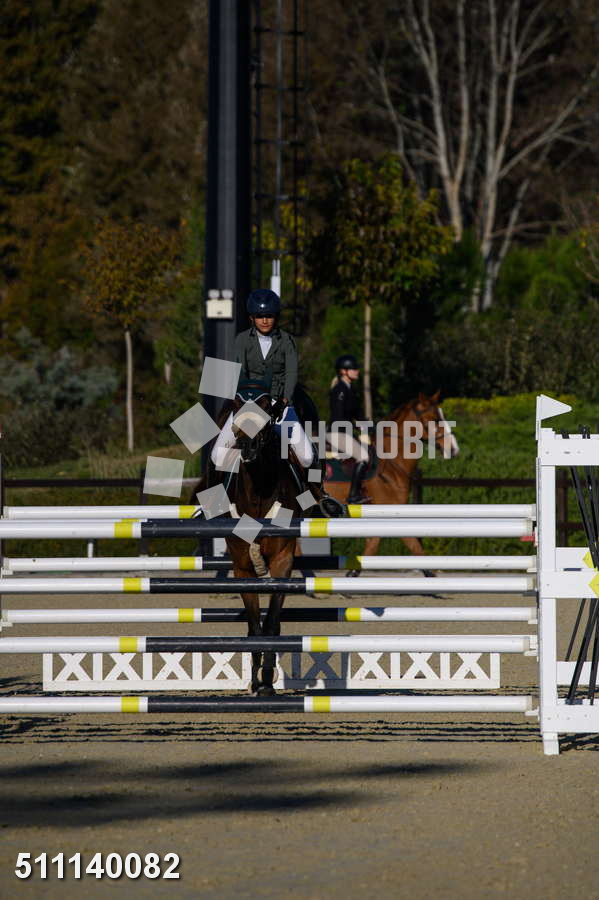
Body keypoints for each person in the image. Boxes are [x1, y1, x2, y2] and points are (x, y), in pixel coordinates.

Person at [211, 289, 315, 472]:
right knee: (216, 456)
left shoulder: (287, 341)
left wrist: (284, 401)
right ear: (252, 318)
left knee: (307, 458)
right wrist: (240, 403)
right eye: (260, 316)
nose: (265, 320)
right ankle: (219, 490)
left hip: (278, 405)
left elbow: (291, 373)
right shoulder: (242, 339)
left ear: (276, 317)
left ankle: (315, 488)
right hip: (248, 404)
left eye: (269, 316)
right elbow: (238, 372)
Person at [327, 353, 370, 504]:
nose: (357, 371)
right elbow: (339, 417)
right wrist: (355, 428)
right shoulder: (340, 390)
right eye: (354, 368)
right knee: (363, 457)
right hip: (337, 433)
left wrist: (371, 427)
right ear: (344, 371)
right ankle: (353, 495)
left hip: (345, 432)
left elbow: (358, 415)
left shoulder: (351, 389)